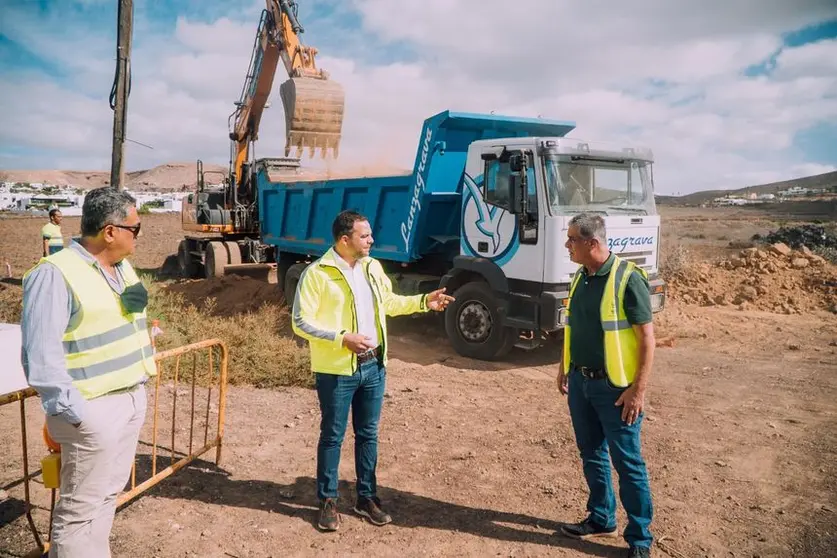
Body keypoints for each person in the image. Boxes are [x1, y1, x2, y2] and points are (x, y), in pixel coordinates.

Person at [291, 209, 454, 532]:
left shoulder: (372, 267)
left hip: (374, 367)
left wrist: (424, 301)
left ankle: (366, 498)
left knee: (368, 435)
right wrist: (341, 339)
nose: (371, 240)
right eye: (364, 236)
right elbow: (300, 322)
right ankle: (327, 500)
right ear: (344, 239)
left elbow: (389, 303)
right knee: (333, 437)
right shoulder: (317, 274)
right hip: (337, 370)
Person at [21, 187, 155, 558]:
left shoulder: (121, 267)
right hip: (91, 410)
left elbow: (121, 316)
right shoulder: (55, 275)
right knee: (79, 510)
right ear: (110, 232)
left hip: (129, 398)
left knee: (107, 495)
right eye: (136, 228)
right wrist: (76, 415)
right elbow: (40, 356)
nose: (139, 236)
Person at [556, 213, 656, 558]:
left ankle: (640, 540)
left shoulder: (628, 279)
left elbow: (647, 339)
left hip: (616, 391)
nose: (566, 245)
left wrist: (637, 390)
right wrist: (564, 366)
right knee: (592, 455)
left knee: (627, 463)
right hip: (581, 383)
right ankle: (601, 519)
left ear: (591, 243)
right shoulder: (580, 277)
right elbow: (575, 327)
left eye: (571, 240)